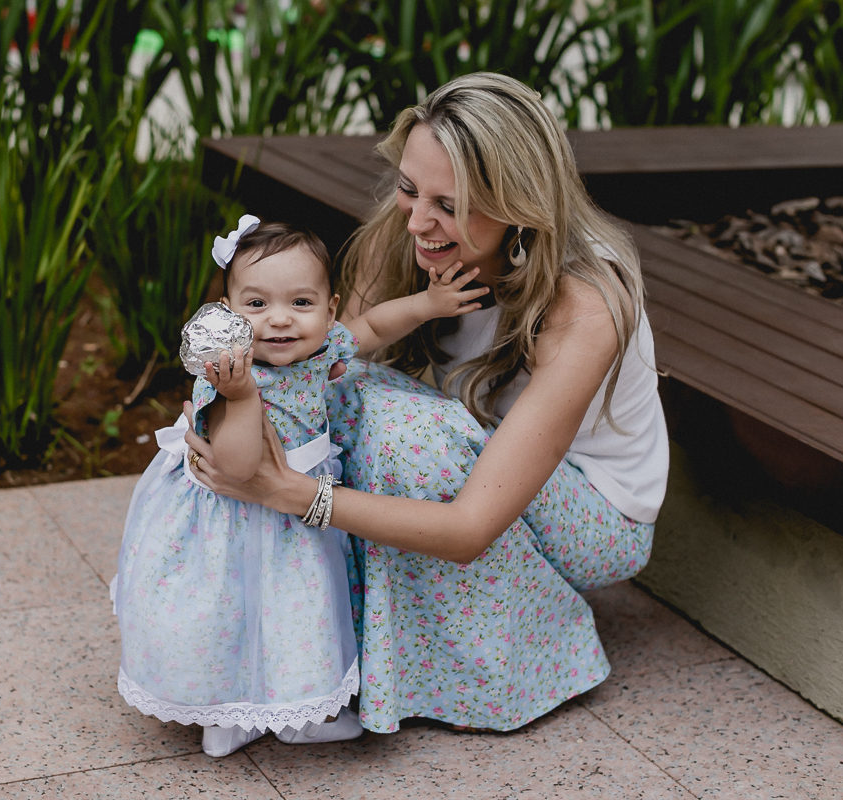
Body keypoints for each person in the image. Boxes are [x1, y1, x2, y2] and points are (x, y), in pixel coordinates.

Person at [182, 72, 670, 734]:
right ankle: (332, 637)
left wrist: (285, 491)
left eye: (450, 204)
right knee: (351, 399)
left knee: (404, 432)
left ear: (520, 205)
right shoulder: (407, 233)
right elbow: (326, 369)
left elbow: (469, 529)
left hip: (595, 519)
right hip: (474, 451)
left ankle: (531, 651)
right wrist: (227, 410)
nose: (416, 219)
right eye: (409, 188)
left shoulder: (583, 302)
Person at [113, 217, 489, 757]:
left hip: (291, 509)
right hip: (240, 521)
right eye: (257, 304)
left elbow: (372, 327)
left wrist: (427, 304)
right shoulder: (229, 379)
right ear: (227, 313)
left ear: (329, 310)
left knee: (292, 617)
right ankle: (228, 715)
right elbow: (238, 466)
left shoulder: (321, 349)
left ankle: (293, 714)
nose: (280, 319)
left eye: (301, 303)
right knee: (236, 615)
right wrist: (242, 397)